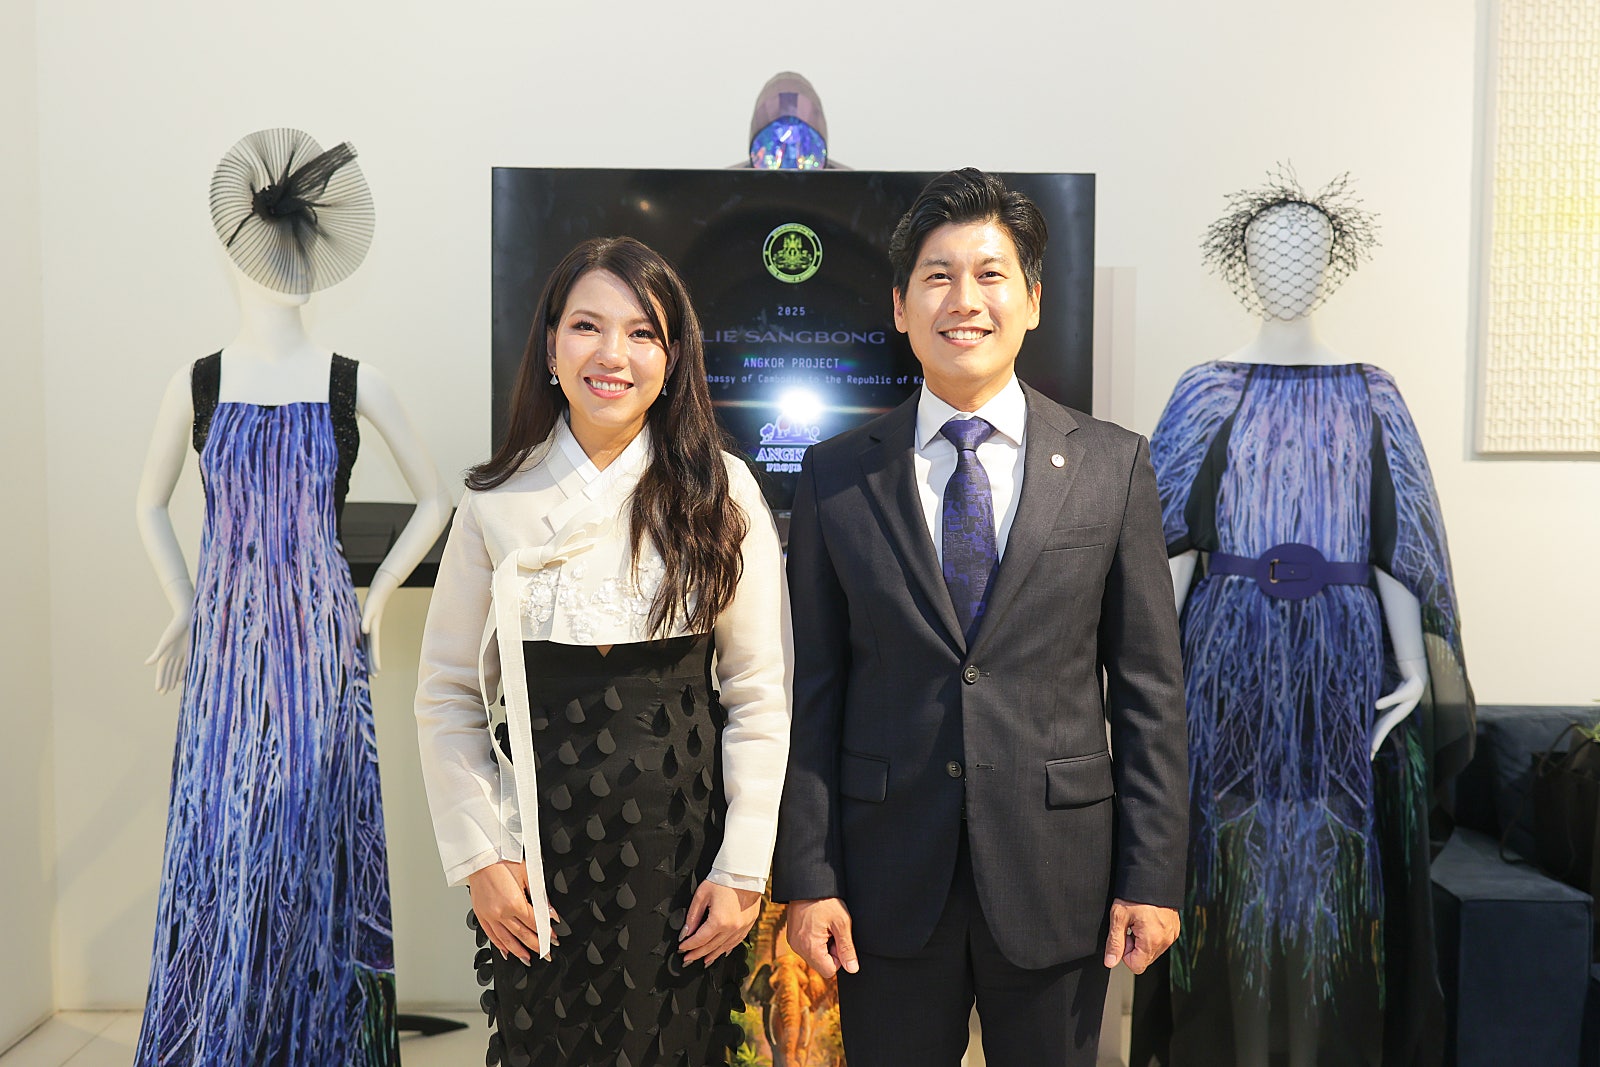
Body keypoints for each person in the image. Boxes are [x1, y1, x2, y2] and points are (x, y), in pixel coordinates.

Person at [771, 168, 1189, 1066]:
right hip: (884, 883)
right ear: (900, 306)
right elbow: (812, 692)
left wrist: (1153, 874)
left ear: (1032, 301)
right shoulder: (836, 475)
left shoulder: (1113, 465)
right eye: (938, 276)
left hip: (1058, 876)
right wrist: (808, 874)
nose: (965, 299)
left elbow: (1150, 691)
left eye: (991, 274)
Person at [414, 236, 791, 1067]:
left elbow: (760, 692)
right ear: (551, 347)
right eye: (587, 325)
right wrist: (482, 858)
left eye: (643, 332)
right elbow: (447, 693)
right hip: (535, 862)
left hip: (684, 864)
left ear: (673, 357)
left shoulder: (723, 491)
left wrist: (742, 869)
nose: (613, 353)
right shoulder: (492, 501)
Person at [133, 129, 449, 1065]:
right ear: (237, 253)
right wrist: (185, 602)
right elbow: (147, 504)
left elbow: (438, 499)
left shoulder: (355, 382)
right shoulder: (198, 383)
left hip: (319, 651)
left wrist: (377, 597)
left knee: (314, 842)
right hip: (225, 655)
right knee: (222, 844)